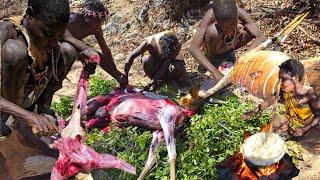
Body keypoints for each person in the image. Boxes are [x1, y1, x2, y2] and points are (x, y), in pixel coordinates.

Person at [0, 0, 100, 178]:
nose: (54, 42)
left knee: (68, 50)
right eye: (48, 35)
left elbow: (68, 39)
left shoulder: (52, 30)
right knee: (14, 52)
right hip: (5, 100)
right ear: (30, 16)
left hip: (28, 96)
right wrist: (27, 116)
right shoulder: (6, 32)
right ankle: (8, 119)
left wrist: (87, 51)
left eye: (57, 35)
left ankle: (42, 107)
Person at [189, 0, 267, 83]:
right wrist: (215, 73)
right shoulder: (210, 15)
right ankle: (211, 58)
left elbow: (261, 37)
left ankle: (227, 54)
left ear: (236, 16)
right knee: (213, 32)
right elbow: (193, 48)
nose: (228, 29)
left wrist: (243, 57)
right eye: (224, 27)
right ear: (217, 20)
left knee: (250, 32)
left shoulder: (240, 13)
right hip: (213, 47)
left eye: (232, 25)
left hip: (230, 44)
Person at [241, 59, 320, 139]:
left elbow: (319, 115)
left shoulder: (309, 94)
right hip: (289, 120)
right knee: (271, 124)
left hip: (303, 127)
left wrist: (304, 129)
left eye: (283, 79)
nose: (279, 83)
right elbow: (267, 103)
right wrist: (252, 113)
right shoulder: (284, 91)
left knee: (276, 136)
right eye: (279, 79)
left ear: (295, 78)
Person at [67, 0, 123, 81]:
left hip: (74, 43)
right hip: (58, 42)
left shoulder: (96, 27)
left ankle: (119, 80)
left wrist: (114, 71)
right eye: (97, 22)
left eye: (101, 22)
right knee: (69, 50)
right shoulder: (72, 21)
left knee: (97, 55)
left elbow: (105, 50)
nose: (99, 25)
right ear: (87, 17)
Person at [120, 30, 186, 91]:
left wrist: (150, 84)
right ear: (159, 45)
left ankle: (165, 80)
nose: (164, 54)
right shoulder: (148, 43)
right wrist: (125, 75)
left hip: (168, 67)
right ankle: (155, 79)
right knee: (146, 58)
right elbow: (131, 56)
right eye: (163, 52)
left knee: (179, 67)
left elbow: (164, 66)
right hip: (155, 63)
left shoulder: (174, 46)